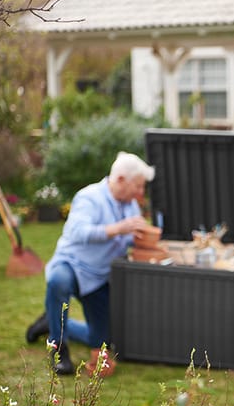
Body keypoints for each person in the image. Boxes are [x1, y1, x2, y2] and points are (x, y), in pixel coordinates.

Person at [25, 151, 155, 376]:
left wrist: (144, 237)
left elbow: (129, 239)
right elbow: (77, 231)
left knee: (105, 340)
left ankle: (50, 322)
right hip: (72, 266)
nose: (141, 192)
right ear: (121, 180)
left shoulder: (131, 206)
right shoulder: (89, 197)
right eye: (138, 186)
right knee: (57, 282)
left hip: (99, 278)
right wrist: (118, 228)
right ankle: (59, 351)